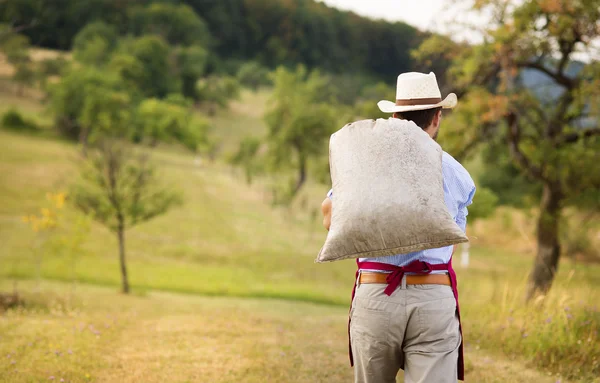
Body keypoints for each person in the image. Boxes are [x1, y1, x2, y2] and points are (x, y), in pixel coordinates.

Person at [321, 72, 475, 383]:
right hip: (433, 296)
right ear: (437, 117)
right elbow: (450, 244)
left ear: (394, 115)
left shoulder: (366, 162)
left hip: (377, 294)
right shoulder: (457, 173)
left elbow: (331, 217)